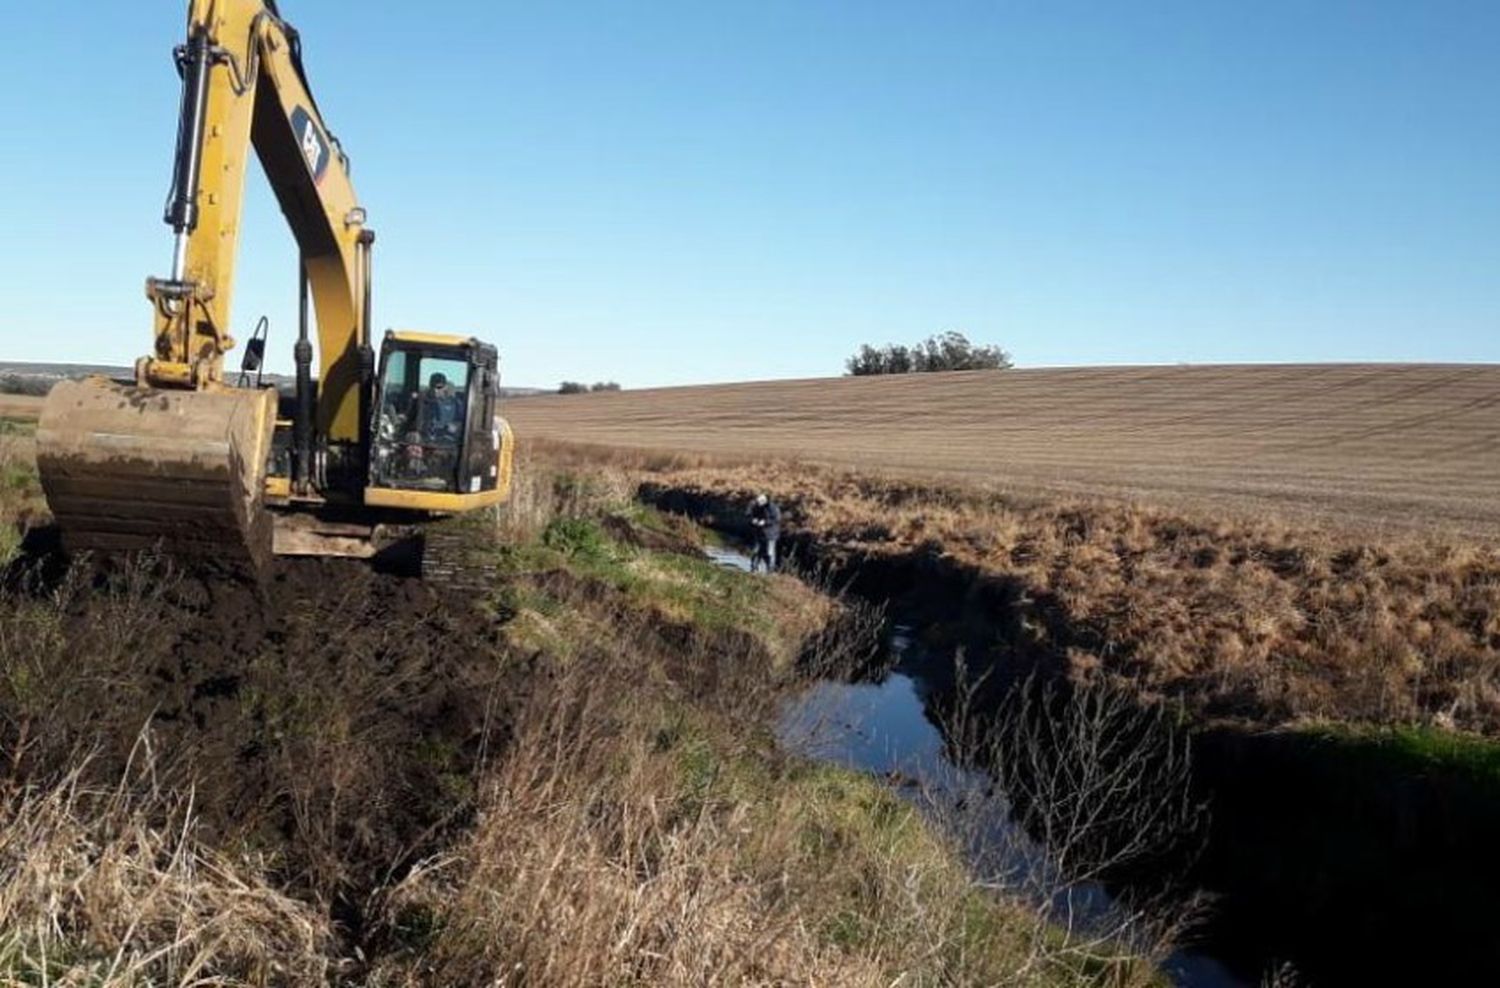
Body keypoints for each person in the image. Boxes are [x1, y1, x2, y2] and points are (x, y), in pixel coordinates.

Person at [419, 372, 462, 443]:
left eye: (439, 387)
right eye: (433, 387)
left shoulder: (455, 403)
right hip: (425, 437)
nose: (435, 390)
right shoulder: (422, 401)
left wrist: (455, 426)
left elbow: (462, 422)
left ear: (445, 387)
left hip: (447, 437)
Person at [748, 493, 781, 573]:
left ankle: (770, 571)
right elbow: (750, 514)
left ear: (764, 501)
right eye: (757, 502)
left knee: (770, 553)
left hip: (771, 534)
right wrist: (753, 520)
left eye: (759, 502)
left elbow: (777, 519)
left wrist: (765, 522)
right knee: (756, 551)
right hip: (759, 533)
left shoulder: (773, 508)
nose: (758, 503)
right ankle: (754, 569)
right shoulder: (756, 506)